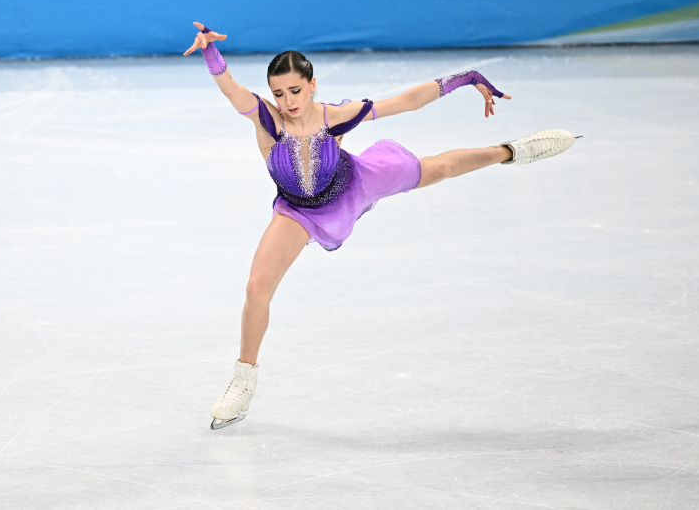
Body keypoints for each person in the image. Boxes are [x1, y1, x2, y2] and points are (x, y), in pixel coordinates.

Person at [183, 22, 577, 429]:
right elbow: (230, 87)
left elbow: (405, 101)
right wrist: (211, 52)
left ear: (312, 85)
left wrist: (465, 78)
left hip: (354, 185)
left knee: (436, 169)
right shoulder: (267, 119)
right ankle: (243, 381)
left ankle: (510, 151)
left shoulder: (334, 117)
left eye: (295, 90)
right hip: (298, 211)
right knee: (256, 288)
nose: (288, 101)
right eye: (279, 93)